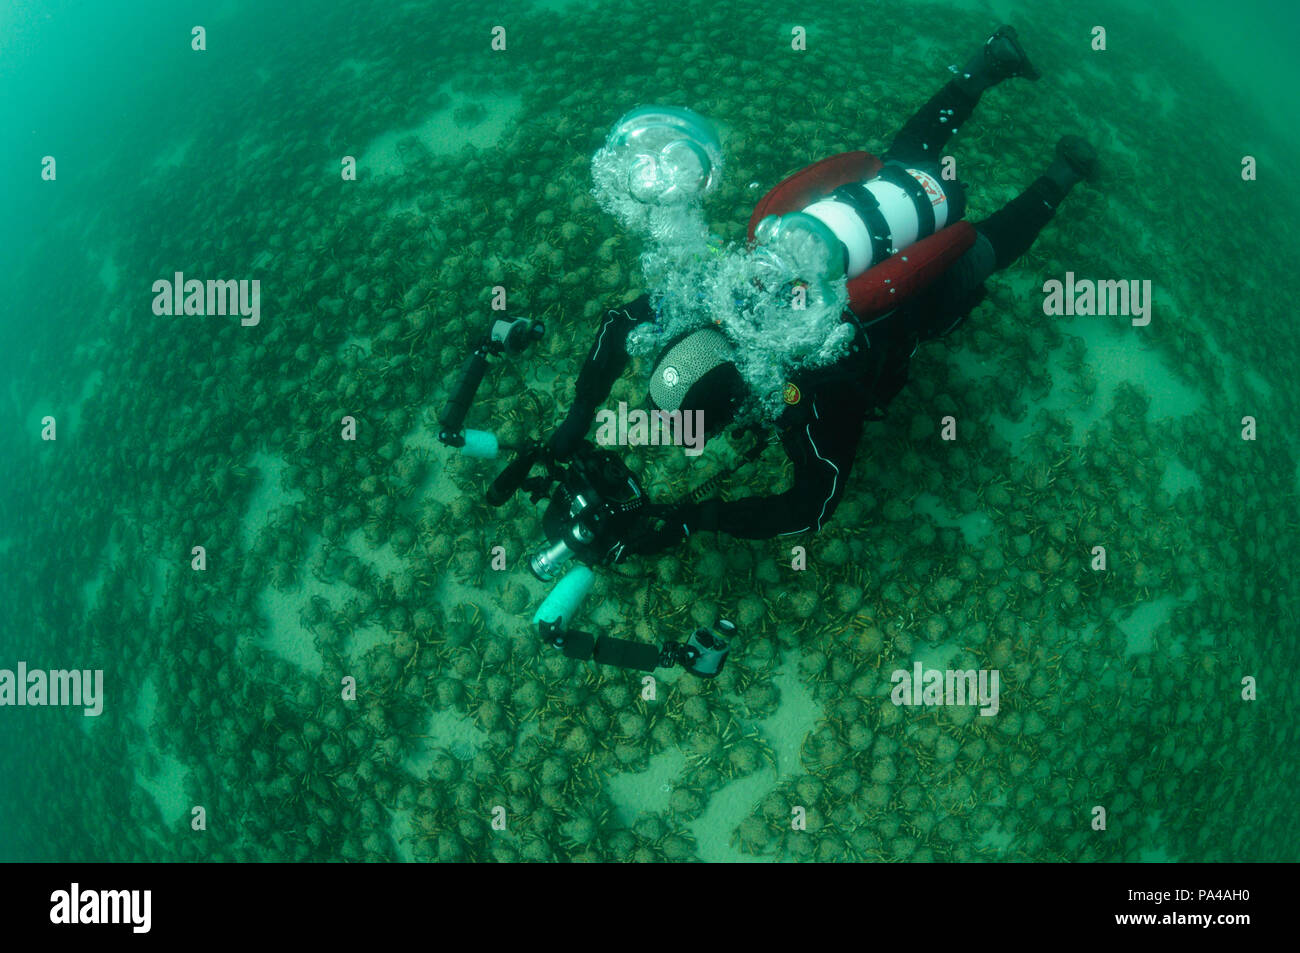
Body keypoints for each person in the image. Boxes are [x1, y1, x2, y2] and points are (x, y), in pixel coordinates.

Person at [549, 26, 1098, 557]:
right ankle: (990, 65)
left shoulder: (809, 388)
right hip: (861, 221)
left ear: (738, 403)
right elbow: (619, 321)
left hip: (913, 290)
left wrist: (696, 521)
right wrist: (578, 417)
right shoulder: (709, 296)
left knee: (986, 249)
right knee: (907, 159)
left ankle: (1064, 172)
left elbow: (815, 504)